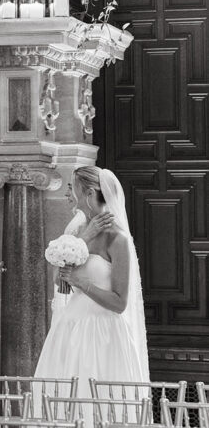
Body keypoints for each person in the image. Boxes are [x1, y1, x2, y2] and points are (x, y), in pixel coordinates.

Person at [35, 165, 150, 397]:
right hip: (69, 327)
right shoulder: (77, 231)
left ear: (88, 194)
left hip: (103, 334)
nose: (69, 194)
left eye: (72, 187)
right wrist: (84, 238)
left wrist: (82, 283)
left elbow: (119, 303)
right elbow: (59, 281)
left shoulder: (117, 239)